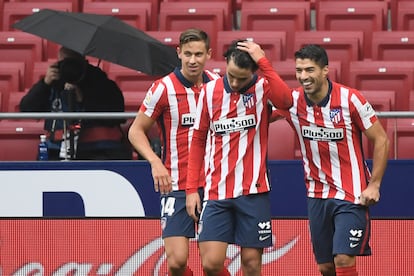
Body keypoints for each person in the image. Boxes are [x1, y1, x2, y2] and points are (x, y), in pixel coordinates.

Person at [247, 44, 390, 276]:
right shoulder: (292, 102)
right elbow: (258, 116)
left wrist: (374, 184)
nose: (304, 76)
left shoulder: (350, 99)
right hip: (316, 196)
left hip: (351, 194)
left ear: (325, 70)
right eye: (299, 70)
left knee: (343, 259)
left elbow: (381, 140)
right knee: (325, 267)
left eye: (310, 70)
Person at [185, 40, 292, 276]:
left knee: (252, 265)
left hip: (253, 192)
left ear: (254, 73)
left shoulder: (264, 88)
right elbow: (198, 141)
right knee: (211, 264)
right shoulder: (209, 92)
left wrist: (263, 61)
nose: (234, 82)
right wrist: (192, 188)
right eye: (231, 75)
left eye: (241, 79)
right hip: (216, 192)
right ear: (225, 63)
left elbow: (286, 102)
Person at [128, 29, 229, 276]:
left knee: (212, 265)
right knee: (176, 263)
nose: (192, 60)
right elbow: (135, 131)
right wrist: (154, 162)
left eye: (198, 54)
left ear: (208, 54)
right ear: (178, 53)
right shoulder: (163, 88)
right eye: (187, 54)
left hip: (213, 184)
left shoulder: (219, 85)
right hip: (175, 183)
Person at [20, 46, 132, 160]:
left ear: (83, 61)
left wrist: (83, 100)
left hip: (99, 152)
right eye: (65, 62)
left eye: (73, 62)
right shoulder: (54, 82)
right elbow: (27, 109)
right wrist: (44, 84)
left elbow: (116, 114)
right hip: (57, 151)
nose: (70, 67)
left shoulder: (101, 83)